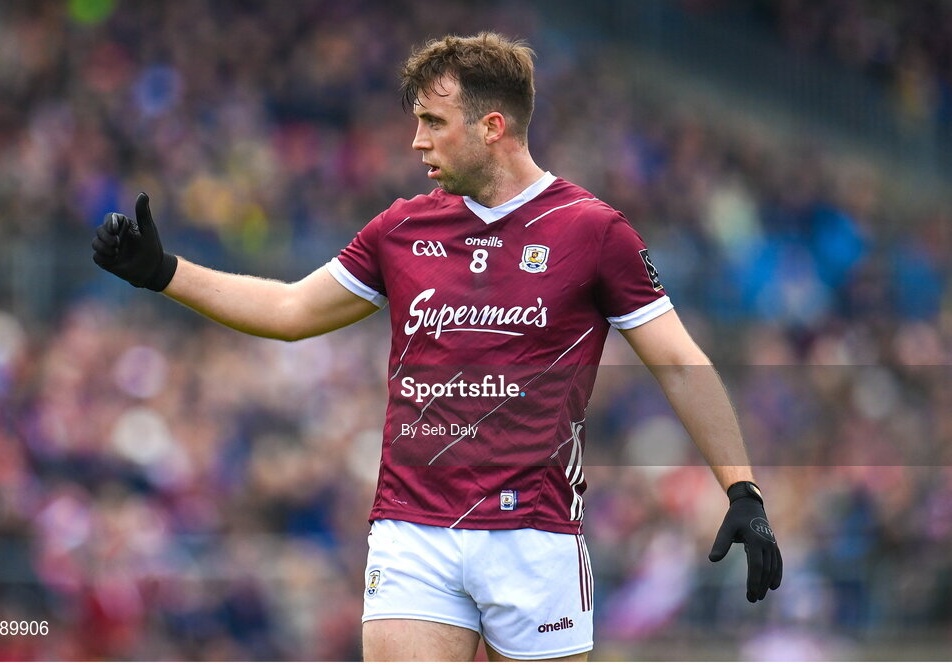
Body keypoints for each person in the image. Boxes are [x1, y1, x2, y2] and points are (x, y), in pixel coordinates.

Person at [92, 32, 782, 662]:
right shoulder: (399, 228)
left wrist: (740, 489)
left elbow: (678, 362)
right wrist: (165, 273)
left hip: (533, 534)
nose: (417, 142)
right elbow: (291, 308)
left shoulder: (591, 230)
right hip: (411, 528)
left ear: (492, 126)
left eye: (432, 122)